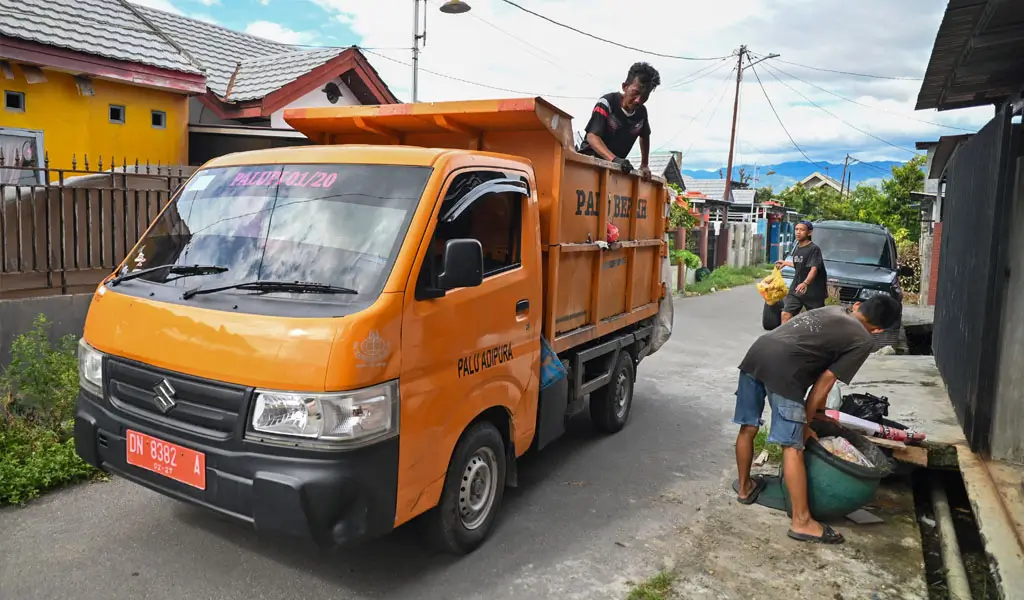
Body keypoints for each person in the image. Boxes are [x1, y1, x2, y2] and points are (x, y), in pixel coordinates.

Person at [731, 295, 901, 544]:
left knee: (748, 427)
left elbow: (819, 369)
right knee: (793, 446)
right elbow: (824, 383)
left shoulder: (834, 310)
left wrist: (817, 413)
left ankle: (745, 488)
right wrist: (806, 424)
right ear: (878, 330)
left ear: (856, 307)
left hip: (757, 353)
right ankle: (802, 521)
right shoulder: (863, 340)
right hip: (784, 371)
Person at [577, 62, 661, 178]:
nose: (638, 100)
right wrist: (614, 159)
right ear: (625, 87)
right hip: (588, 163)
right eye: (635, 93)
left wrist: (644, 164)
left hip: (613, 168)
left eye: (644, 96)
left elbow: (645, 135)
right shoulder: (607, 102)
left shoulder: (641, 113)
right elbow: (592, 136)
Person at [775, 221, 826, 324]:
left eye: (802, 230)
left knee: (816, 321)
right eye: (796, 229)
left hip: (813, 292)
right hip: (797, 290)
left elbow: (814, 269)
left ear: (809, 232)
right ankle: (785, 339)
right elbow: (800, 265)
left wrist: (805, 283)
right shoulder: (798, 248)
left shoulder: (814, 249)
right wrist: (786, 263)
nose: (798, 232)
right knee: (785, 314)